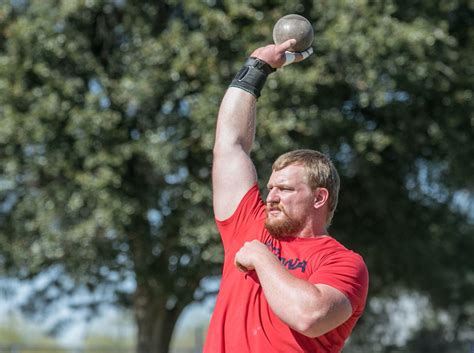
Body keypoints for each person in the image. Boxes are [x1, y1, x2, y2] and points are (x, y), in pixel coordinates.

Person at [203, 39, 369, 353]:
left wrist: (262, 258)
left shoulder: (344, 264)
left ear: (320, 198)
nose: (272, 197)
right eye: (271, 188)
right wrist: (256, 67)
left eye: (286, 189)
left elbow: (309, 316)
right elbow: (230, 145)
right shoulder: (248, 224)